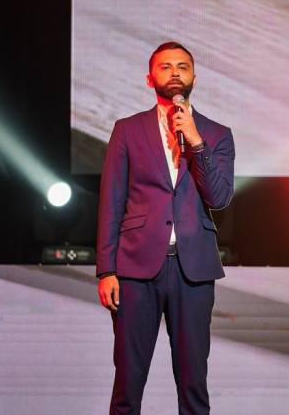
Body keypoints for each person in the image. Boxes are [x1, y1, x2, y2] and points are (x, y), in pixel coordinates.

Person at [96, 41, 235, 414]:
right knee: (128, 383)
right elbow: (111, 201)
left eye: (183, 67)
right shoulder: (128, 130)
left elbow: (219, 198)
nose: (175, 73)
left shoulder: (217, 134)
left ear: (194, 78)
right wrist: (107, 270)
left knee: (193, 383)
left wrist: (196, 142)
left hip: (193, 270)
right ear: (150, 78)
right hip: (136, 268)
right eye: (165, 67)